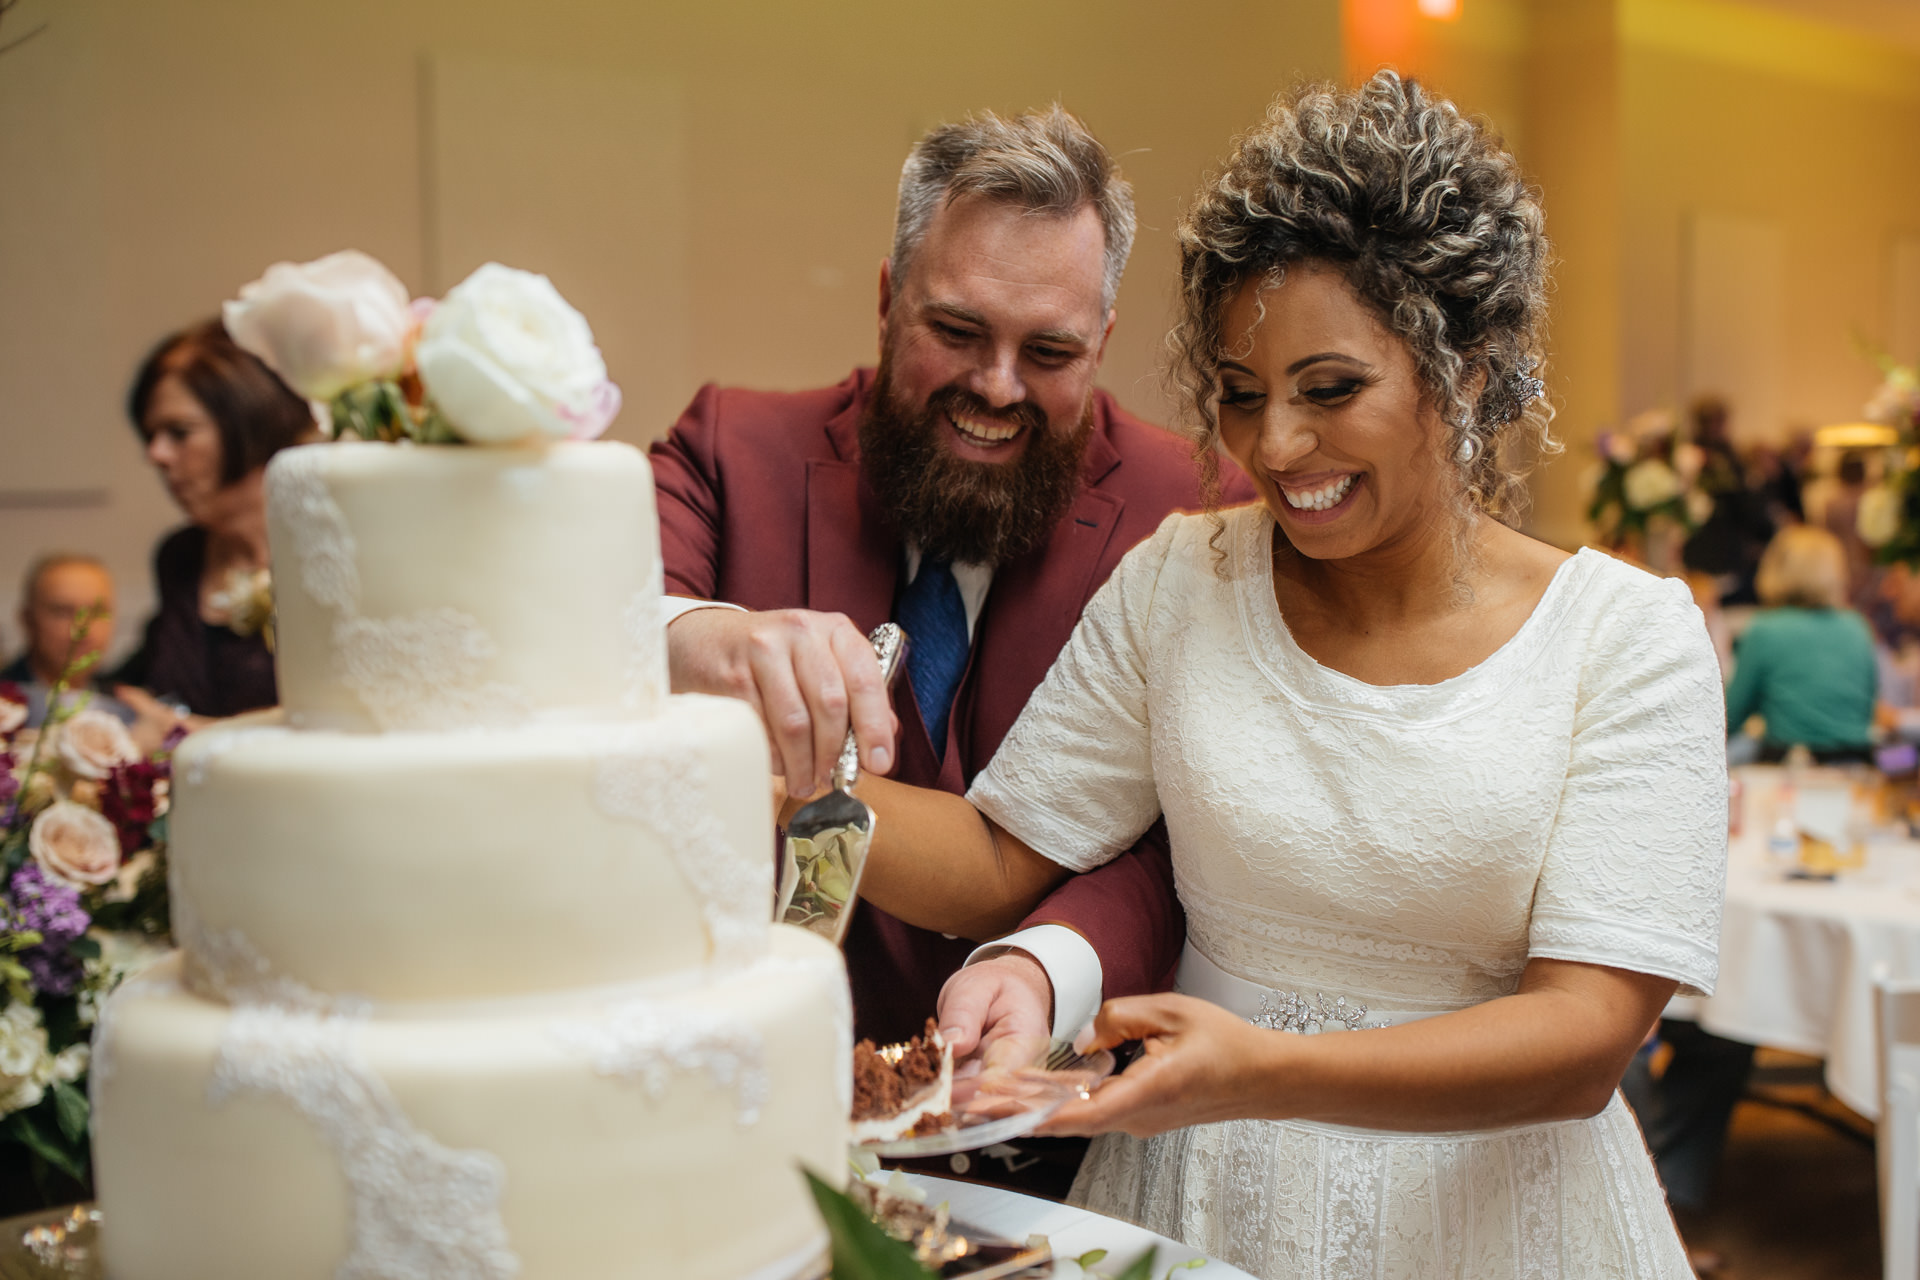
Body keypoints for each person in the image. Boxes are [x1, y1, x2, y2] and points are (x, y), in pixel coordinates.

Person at [826, 73, 1726, 1275]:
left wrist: (1262, 1068)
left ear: (1464, 370)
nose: (1275, 448)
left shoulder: (1626, 639)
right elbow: (996, 860)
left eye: (1331, 389)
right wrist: (768, 784)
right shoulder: (1183, 579)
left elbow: (1585, 1039)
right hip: (1196, 1194)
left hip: (1496, 1220)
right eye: (1242, 397)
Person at [650, 107, 1250, 1194]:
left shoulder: (1200, 517)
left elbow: (1194, 834)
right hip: (743, 1145)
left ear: (1104, 341)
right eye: (958, 332)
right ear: (887, 302)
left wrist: (1050, 966)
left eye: (1050, 351)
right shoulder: (733, 449)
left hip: (1074, 1153)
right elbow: (589, 615)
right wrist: (702, 641)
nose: (999, 387)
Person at [113, 320, 311, 719]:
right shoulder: (180, 555)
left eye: (178, 432)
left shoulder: (327, 553)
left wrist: (195, 736)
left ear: (249, 423)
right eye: (151, 435)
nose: (156, 455)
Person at [1723, 524, 1875, 764]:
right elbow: (1868, 707)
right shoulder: (1856, 627)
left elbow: (1730, 715)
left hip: (1791, 766)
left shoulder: (1765, 629)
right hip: (1857, 766)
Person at [2, 554, 138, 729]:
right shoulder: (5, 701)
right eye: (63, 612)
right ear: (28, 620)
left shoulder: (126, 704)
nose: (83, 630)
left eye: (97, 612)